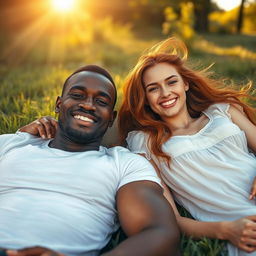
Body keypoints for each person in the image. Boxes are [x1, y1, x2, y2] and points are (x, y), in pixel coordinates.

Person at [0, 65, 180, 256]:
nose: (88, 105)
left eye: (101, 101)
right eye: (77, 95)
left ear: (111, 118)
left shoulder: (125, 164)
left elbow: (160, 233)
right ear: (59, 104)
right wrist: (20, 136)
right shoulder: (11, 144)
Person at [117, 37, 256, 256]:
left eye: (171, 82)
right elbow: (173, 219)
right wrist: (226, 230)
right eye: (153, 88)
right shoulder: (145, 142)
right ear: (145, 98)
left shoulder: (221, 110)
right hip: (246, 225)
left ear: (186, 84)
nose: (165, 93)